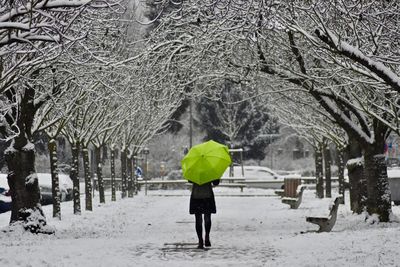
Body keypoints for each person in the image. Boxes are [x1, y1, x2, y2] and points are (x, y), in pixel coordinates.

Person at [189, 179, 220, 249]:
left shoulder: (194, 169)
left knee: (198, 219)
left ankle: (200, 241)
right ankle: (207, 237)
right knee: (207, 218)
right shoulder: (210, 170)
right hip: (207, 196)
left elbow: (190, 180)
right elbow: (216, 183)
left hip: (196, 196)